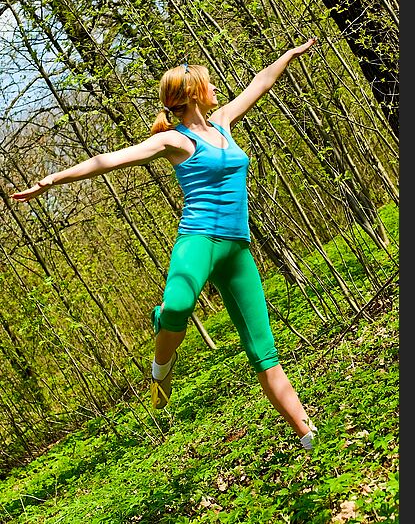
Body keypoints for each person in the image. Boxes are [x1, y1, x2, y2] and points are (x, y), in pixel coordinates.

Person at [10, 39, 318, 450]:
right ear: (194, 93)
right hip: (198, 240)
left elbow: (259, 83)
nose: (215, 88)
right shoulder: (174, 141)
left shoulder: (224, 121)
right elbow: (112, 159)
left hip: (237, 250)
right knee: (175, 307)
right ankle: (161, 369)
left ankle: (308, 436)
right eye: (207, 83)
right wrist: (53, 179)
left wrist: (288, 55)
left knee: (264, 352)